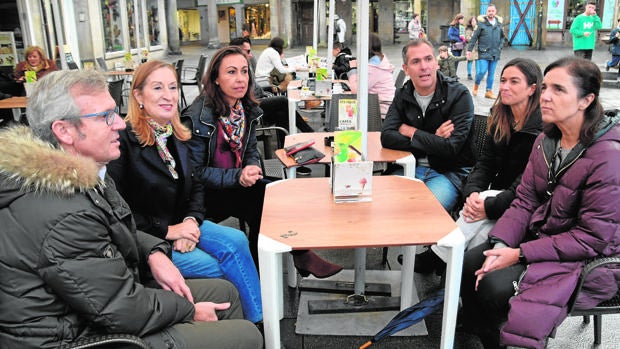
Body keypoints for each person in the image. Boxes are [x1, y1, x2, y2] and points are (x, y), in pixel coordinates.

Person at [0, 69, 262, 349]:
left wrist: (153, 251)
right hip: (79, 337)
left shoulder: (83, 171)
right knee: (246, 335)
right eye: (105, 117)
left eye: (115, 112)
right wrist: (190, 311)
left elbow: (116, 227)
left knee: (226, 292)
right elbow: (119, 308)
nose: (119, 124)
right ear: (64, 131)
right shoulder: (63, 210)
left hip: (101, 304)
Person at [460, 56, 620, 348]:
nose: (545, 96)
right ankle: (488, 337)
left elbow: (592, 238)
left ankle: (503, 335)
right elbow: (525, 200)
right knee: (471, 261)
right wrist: (499, 247)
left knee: (493, 286)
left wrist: (519, 254)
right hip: (546, 236)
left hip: (592, 260)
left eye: (558, 90)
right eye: (545, 87)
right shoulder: (547, 141)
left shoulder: (608, 155)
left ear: (586, 100)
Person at [107, 60, 263, 324]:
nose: (168, 95)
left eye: (172, 87)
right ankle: (232, 326)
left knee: (236, 240)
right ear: (138, 95)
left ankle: (259, 322)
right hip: (147, 238)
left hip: (184, 224)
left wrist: (190, 222)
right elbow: (117, 212)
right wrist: (169, 232)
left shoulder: (176, 133)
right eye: (158, 88)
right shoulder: (122, 142)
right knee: (218, 267)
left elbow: (196, 187)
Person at [182, 46, 343, 279]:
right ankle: (291, 259)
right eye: (231, 72)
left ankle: (270, 268)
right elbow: (194, 173)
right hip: (202, 196)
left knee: (274, 194)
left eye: (244, 72)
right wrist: (237, 176)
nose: (240, 79)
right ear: (215, 79)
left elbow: (249, 150)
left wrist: (251, 166)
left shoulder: (244, 109)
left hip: (234, 185)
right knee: (263, 197)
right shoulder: (199, 116)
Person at [416, 58, 543, 275]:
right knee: (482, 228)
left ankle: (440, 258)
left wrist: (489, 204)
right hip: (499, 197)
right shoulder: (501, 117)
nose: (504, 87)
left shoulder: (542, 129)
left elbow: (527, 185)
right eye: (502, 80)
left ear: (532, 88)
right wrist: (472, 193)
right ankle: (457, 274)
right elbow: (484, 163)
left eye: (514, 82)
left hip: (525, 204)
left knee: (483, 215)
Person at [381, 38, 475, 212]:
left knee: (424, 212)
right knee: (383, 206)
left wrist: (413, 132)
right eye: (416, 62)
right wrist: (434, 139)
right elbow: (386, 137)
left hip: (447, 173)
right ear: (406, 69)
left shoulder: (458, 94)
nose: (424, 67)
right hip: (408, 168)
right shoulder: (403, 94)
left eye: (428, 59)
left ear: (436, 63)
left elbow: (451, 148)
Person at [230, 37, 314, 136]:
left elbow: (254, 87)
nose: (251, 55)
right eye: (248, 51)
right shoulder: (234, 70)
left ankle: (286, 147)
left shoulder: (245, 66)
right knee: (283, 101)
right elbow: (244, 96)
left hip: (257, 98)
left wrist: (266, 93)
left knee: (282, 113)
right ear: (237, 51)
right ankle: (309, 132)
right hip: (250, 106)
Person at [347, 33, 396, 119]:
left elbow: (356, 91)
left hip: (379, 111)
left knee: (346, 114)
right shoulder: (379, 61)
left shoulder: (374, 67)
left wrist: (353, 69)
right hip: (384, 107)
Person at [466, 4, 504, 99]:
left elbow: (502, 37)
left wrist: (500, 46)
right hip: (484, 51)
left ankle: (488, 91)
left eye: (492, 11)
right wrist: (469, 50)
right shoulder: (481, 24)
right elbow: (474, 38)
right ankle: (476, 85)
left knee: (491, 73)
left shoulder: (499, 24)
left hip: (495, 52)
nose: (491, 13)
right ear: (486, 12)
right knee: (482, 71)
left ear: (495, 12)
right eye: (489, 11)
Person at [465, 16, 478, 80]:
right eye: (472, 21)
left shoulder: (478, 29)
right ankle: (469, 74)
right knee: (470, 61)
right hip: (470, 48)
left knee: (477, 61)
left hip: (477, 48)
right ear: (470, 22)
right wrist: (473, 38)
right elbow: (467, 38)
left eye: (475, 21)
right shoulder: (468, 29)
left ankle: (478, 74)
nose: (474, 22)